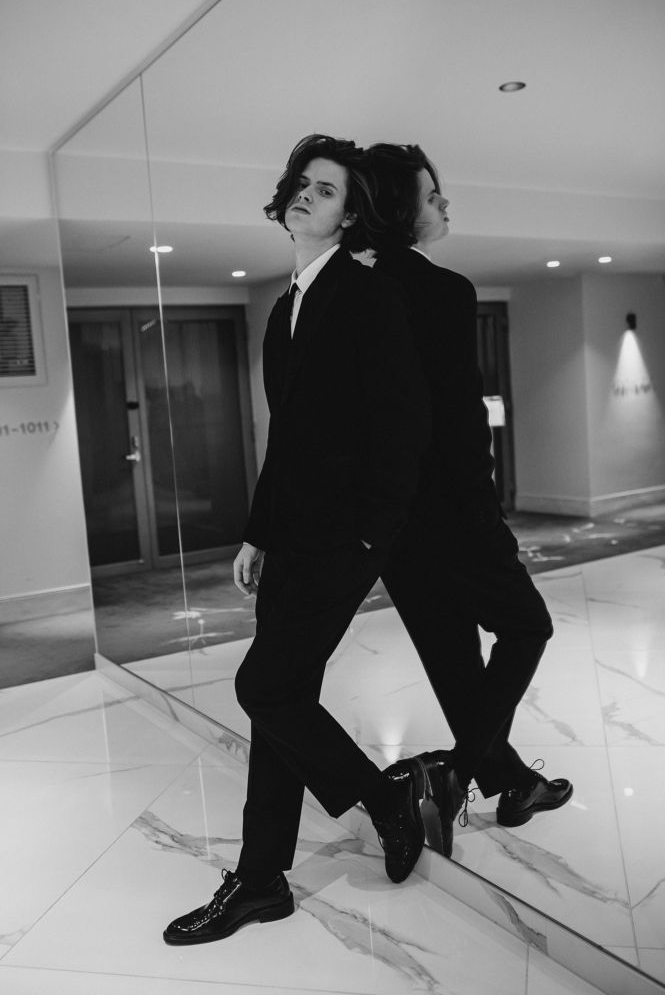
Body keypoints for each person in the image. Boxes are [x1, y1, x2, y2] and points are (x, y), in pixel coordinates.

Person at [163, 135, 431, 946]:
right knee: (279, 705)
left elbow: (404, 427)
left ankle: (384, 797)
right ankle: (260, 879)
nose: (306, 195)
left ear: (349, 215)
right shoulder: (286, 308)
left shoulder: (368, 295)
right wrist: (257, 532)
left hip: (342, 542)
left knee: (263, 688)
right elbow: (288, 439)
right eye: (302, 184)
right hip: (289, 537)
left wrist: (370, 539)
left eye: (326, 189)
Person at [367, 142, 572, 858]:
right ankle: (453, 775)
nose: (444, 203)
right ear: (401, 211)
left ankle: (514, 784)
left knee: (453, 662)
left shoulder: (350, 292)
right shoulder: (441, 290)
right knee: (527, 626)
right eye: (432, 195)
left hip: (393, 526)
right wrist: (486, 517)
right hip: (453, 512)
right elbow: (457, 422)